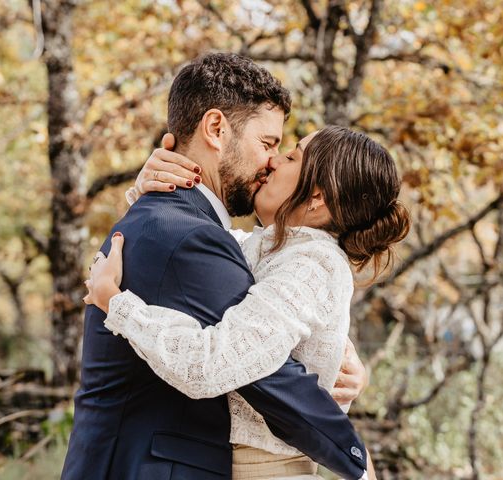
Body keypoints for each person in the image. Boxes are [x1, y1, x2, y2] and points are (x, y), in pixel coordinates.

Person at [62, 52, 373, 480]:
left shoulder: (188, 226)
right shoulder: (189, 233)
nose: (271, 163)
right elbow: (264, 374)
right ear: (215, 129)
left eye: (285, 152)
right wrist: (354, 455)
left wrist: (335, 353)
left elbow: (273, 318)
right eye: (268, 144)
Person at [85, 125, 410, 479]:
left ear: (317, 197)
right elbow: (192, 249)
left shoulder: (312, 265)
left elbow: (207, 366)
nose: (272, 162)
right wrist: (149, 191)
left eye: (290, 156)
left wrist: (117, 304)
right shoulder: (270, 250)